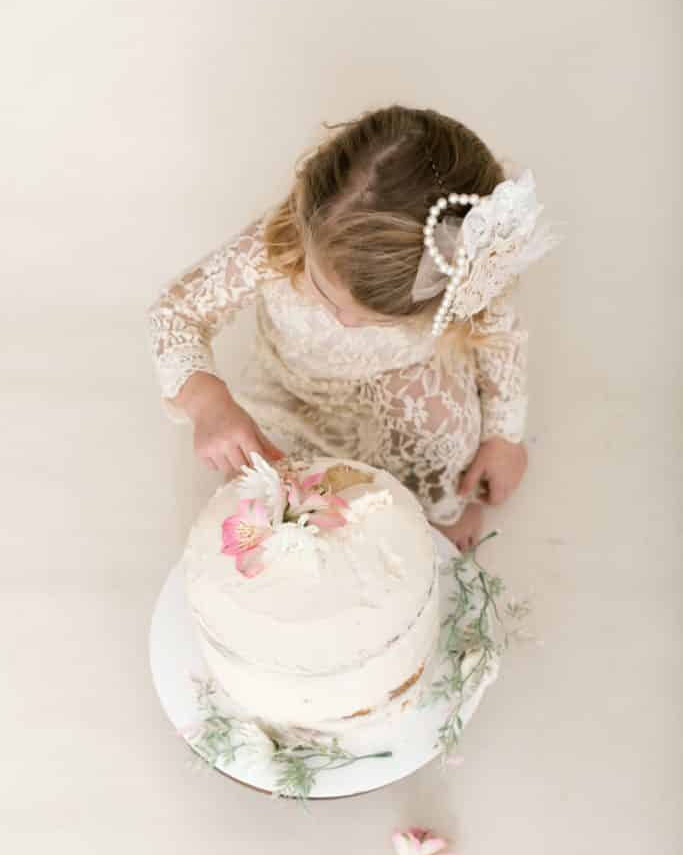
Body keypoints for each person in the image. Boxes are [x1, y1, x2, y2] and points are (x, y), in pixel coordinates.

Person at [146, 104, 563, 551]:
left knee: (449, 433)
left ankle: (437, 516)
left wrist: (504, 436)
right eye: (324, 296)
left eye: (376, 320)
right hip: (298, 389)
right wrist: (207, 401)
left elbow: (500, 342)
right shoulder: (278, 242)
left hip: (405, 378)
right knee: (267, 478)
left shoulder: (463, 271)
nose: (346, 322)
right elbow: (177, 313)